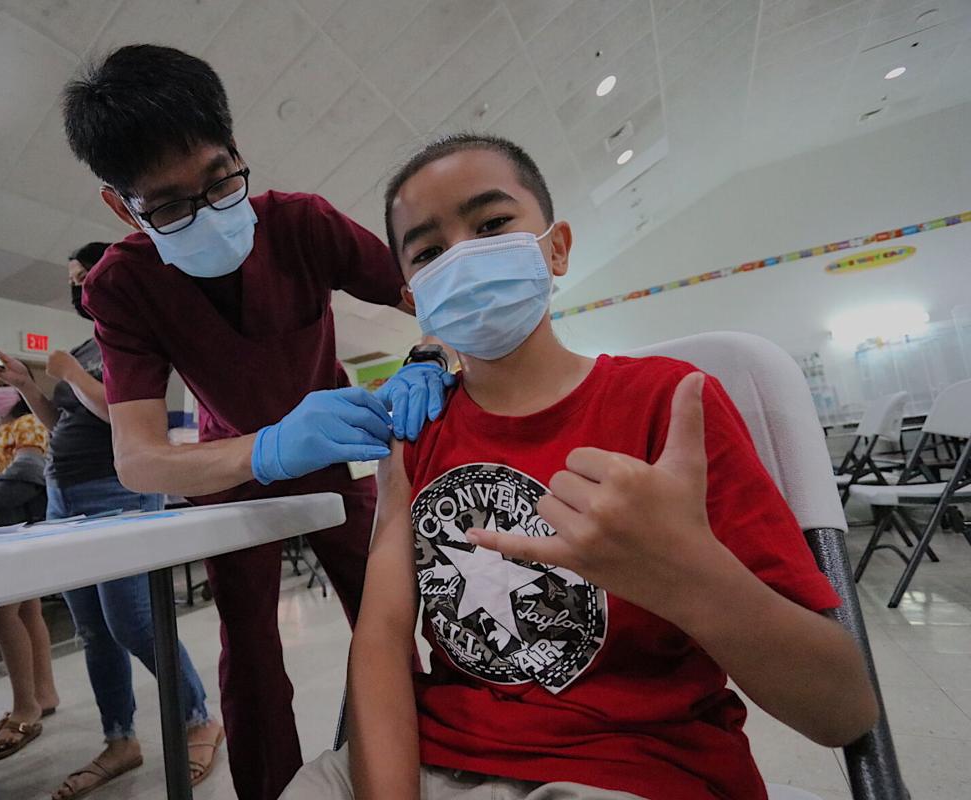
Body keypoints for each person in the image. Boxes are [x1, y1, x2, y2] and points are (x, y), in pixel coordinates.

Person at [281, 134, 881, 800]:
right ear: (414, 295)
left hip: (634, 768)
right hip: (434, 756)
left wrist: (688, 574)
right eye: (428, 251)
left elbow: (843, 710)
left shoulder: (667, 404)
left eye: (490, 225)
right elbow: (385, 633)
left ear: (557, 247)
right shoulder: (417, 433)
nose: (464, 257)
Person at [60, 45, 453, 800]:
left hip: (339, 456)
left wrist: (430, 355)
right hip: (231, 468)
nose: (207, 212)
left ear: (239, 151)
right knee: (251, 655)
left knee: (392, 616)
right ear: (122, 206)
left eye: (219, 181)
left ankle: (417, 771)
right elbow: (140, 460)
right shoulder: (122, 286)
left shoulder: (303, 226)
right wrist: (267, 449)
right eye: (169, 205)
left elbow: (429, 296)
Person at [0, 242, 223, 799]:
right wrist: (26, 384)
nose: (80, 287)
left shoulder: (137, 336)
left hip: (117, 489)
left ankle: (198, 719)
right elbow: (61, 417)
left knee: (133, 623)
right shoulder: (80, 346)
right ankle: (120, 739)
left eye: (87, 274)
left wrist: (68, 370)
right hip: (62, 492)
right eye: (73, 279)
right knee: (93, 629)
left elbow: (118, 413)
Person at [0, 371, 58, 763]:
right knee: (27, 610)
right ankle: (43, 693)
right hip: (7, 532)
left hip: (20, 529)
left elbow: (28, 473)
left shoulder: (29, 423)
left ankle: (25, 707)